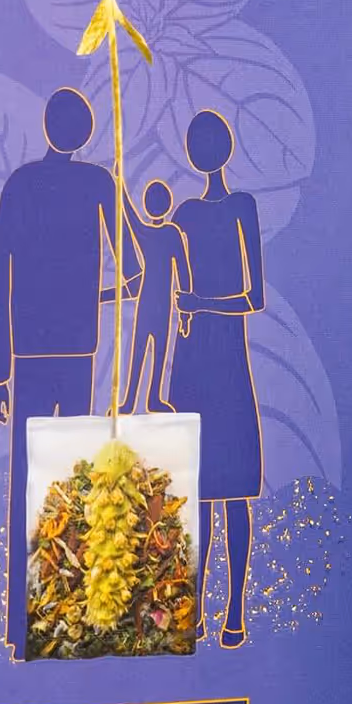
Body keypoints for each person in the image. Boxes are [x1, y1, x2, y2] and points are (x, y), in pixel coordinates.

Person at [0, 86, 141, 657]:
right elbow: (134, 271)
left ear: (48, 128)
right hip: (77, 351)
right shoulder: (98, 183)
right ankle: (64, 623)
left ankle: (19, 629)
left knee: (29, 482)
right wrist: (93, 298)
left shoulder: (20, 184)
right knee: (73, 483)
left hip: (28, 354)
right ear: (85, 132)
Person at [167, 109, 265, 648]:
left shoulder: (241, 207)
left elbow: (255, 296)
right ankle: (197, 610)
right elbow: (168, 275)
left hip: (227, 356)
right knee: (201, 492)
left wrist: (201, 303)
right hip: (193, 359)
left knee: (235, 491)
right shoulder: (183, 213)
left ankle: (235, 613)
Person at [117, 180, 191, 415]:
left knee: (150, 349)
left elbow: (183, 271)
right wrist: (185, 309)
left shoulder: (159, 233)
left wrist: (121, 187)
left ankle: (147, 399)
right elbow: (184, 272)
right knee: (146, 348)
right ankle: (135, 400)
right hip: (155, 301)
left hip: (155, 301)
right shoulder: (168, 233)